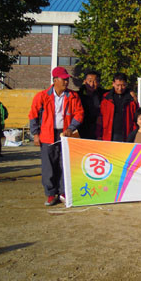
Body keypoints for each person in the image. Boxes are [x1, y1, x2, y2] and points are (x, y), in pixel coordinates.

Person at [28, 67, 84, 206]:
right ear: (55, 80)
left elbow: (79, 113)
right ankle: (51, 193)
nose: (66, 82)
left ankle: (64, 192)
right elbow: (33, 115)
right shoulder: (42, 96)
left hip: (65, 135)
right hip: (47, 135)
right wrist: (35, 134)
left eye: (67, 79)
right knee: (48, 166)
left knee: (64, 163)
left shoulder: (73, 96)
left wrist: (71, 128)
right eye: (63, 79)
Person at [99, 73, 139, 142]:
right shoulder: (106, 98)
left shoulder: (131, 99)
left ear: (126, 84)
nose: (120, 88)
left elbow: (135, 118)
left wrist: (134, 133)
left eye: (123, 85)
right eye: (118, 85)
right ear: (113, 84)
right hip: (109, 134)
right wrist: (99, 134)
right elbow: (100, 117)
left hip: (126, 134)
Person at [77, 71, 105, 139]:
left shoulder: (102, 94)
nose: (92, 84)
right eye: (89, 81)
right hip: (82, 128)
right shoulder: (78, 95)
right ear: (84, 81)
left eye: (95, 81)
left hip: (97, 129)